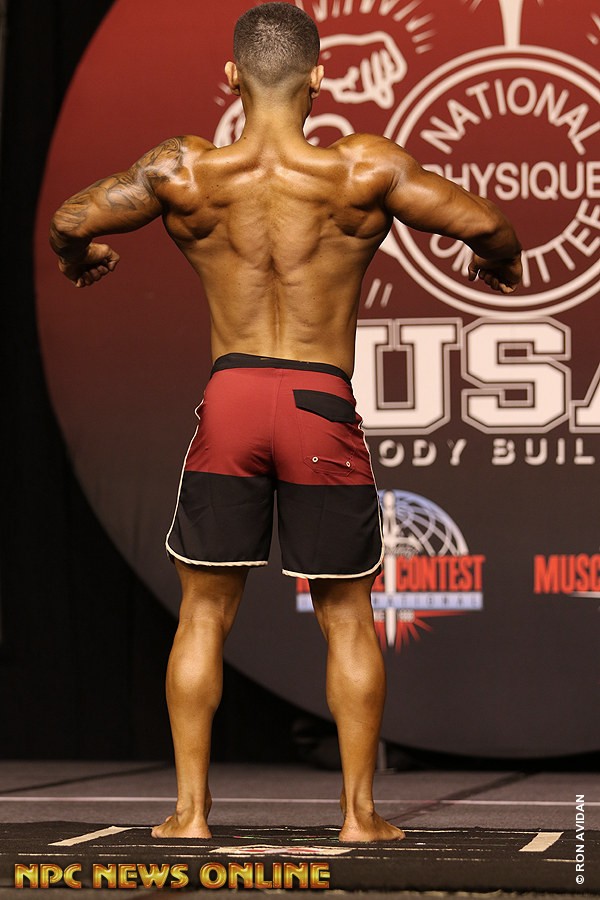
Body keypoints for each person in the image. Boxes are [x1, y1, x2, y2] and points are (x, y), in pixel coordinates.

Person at [49, 2, 522, 843]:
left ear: (232, 77)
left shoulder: (185, 170)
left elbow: (70, 220)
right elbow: (489, 225)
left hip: (231, 401)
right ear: (321, 76)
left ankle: (191, 815)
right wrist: (497, 264)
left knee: (203, 613)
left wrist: (83, 258)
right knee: (346, 615)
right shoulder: (362, 169)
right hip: (318, 404)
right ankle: (359, 816)